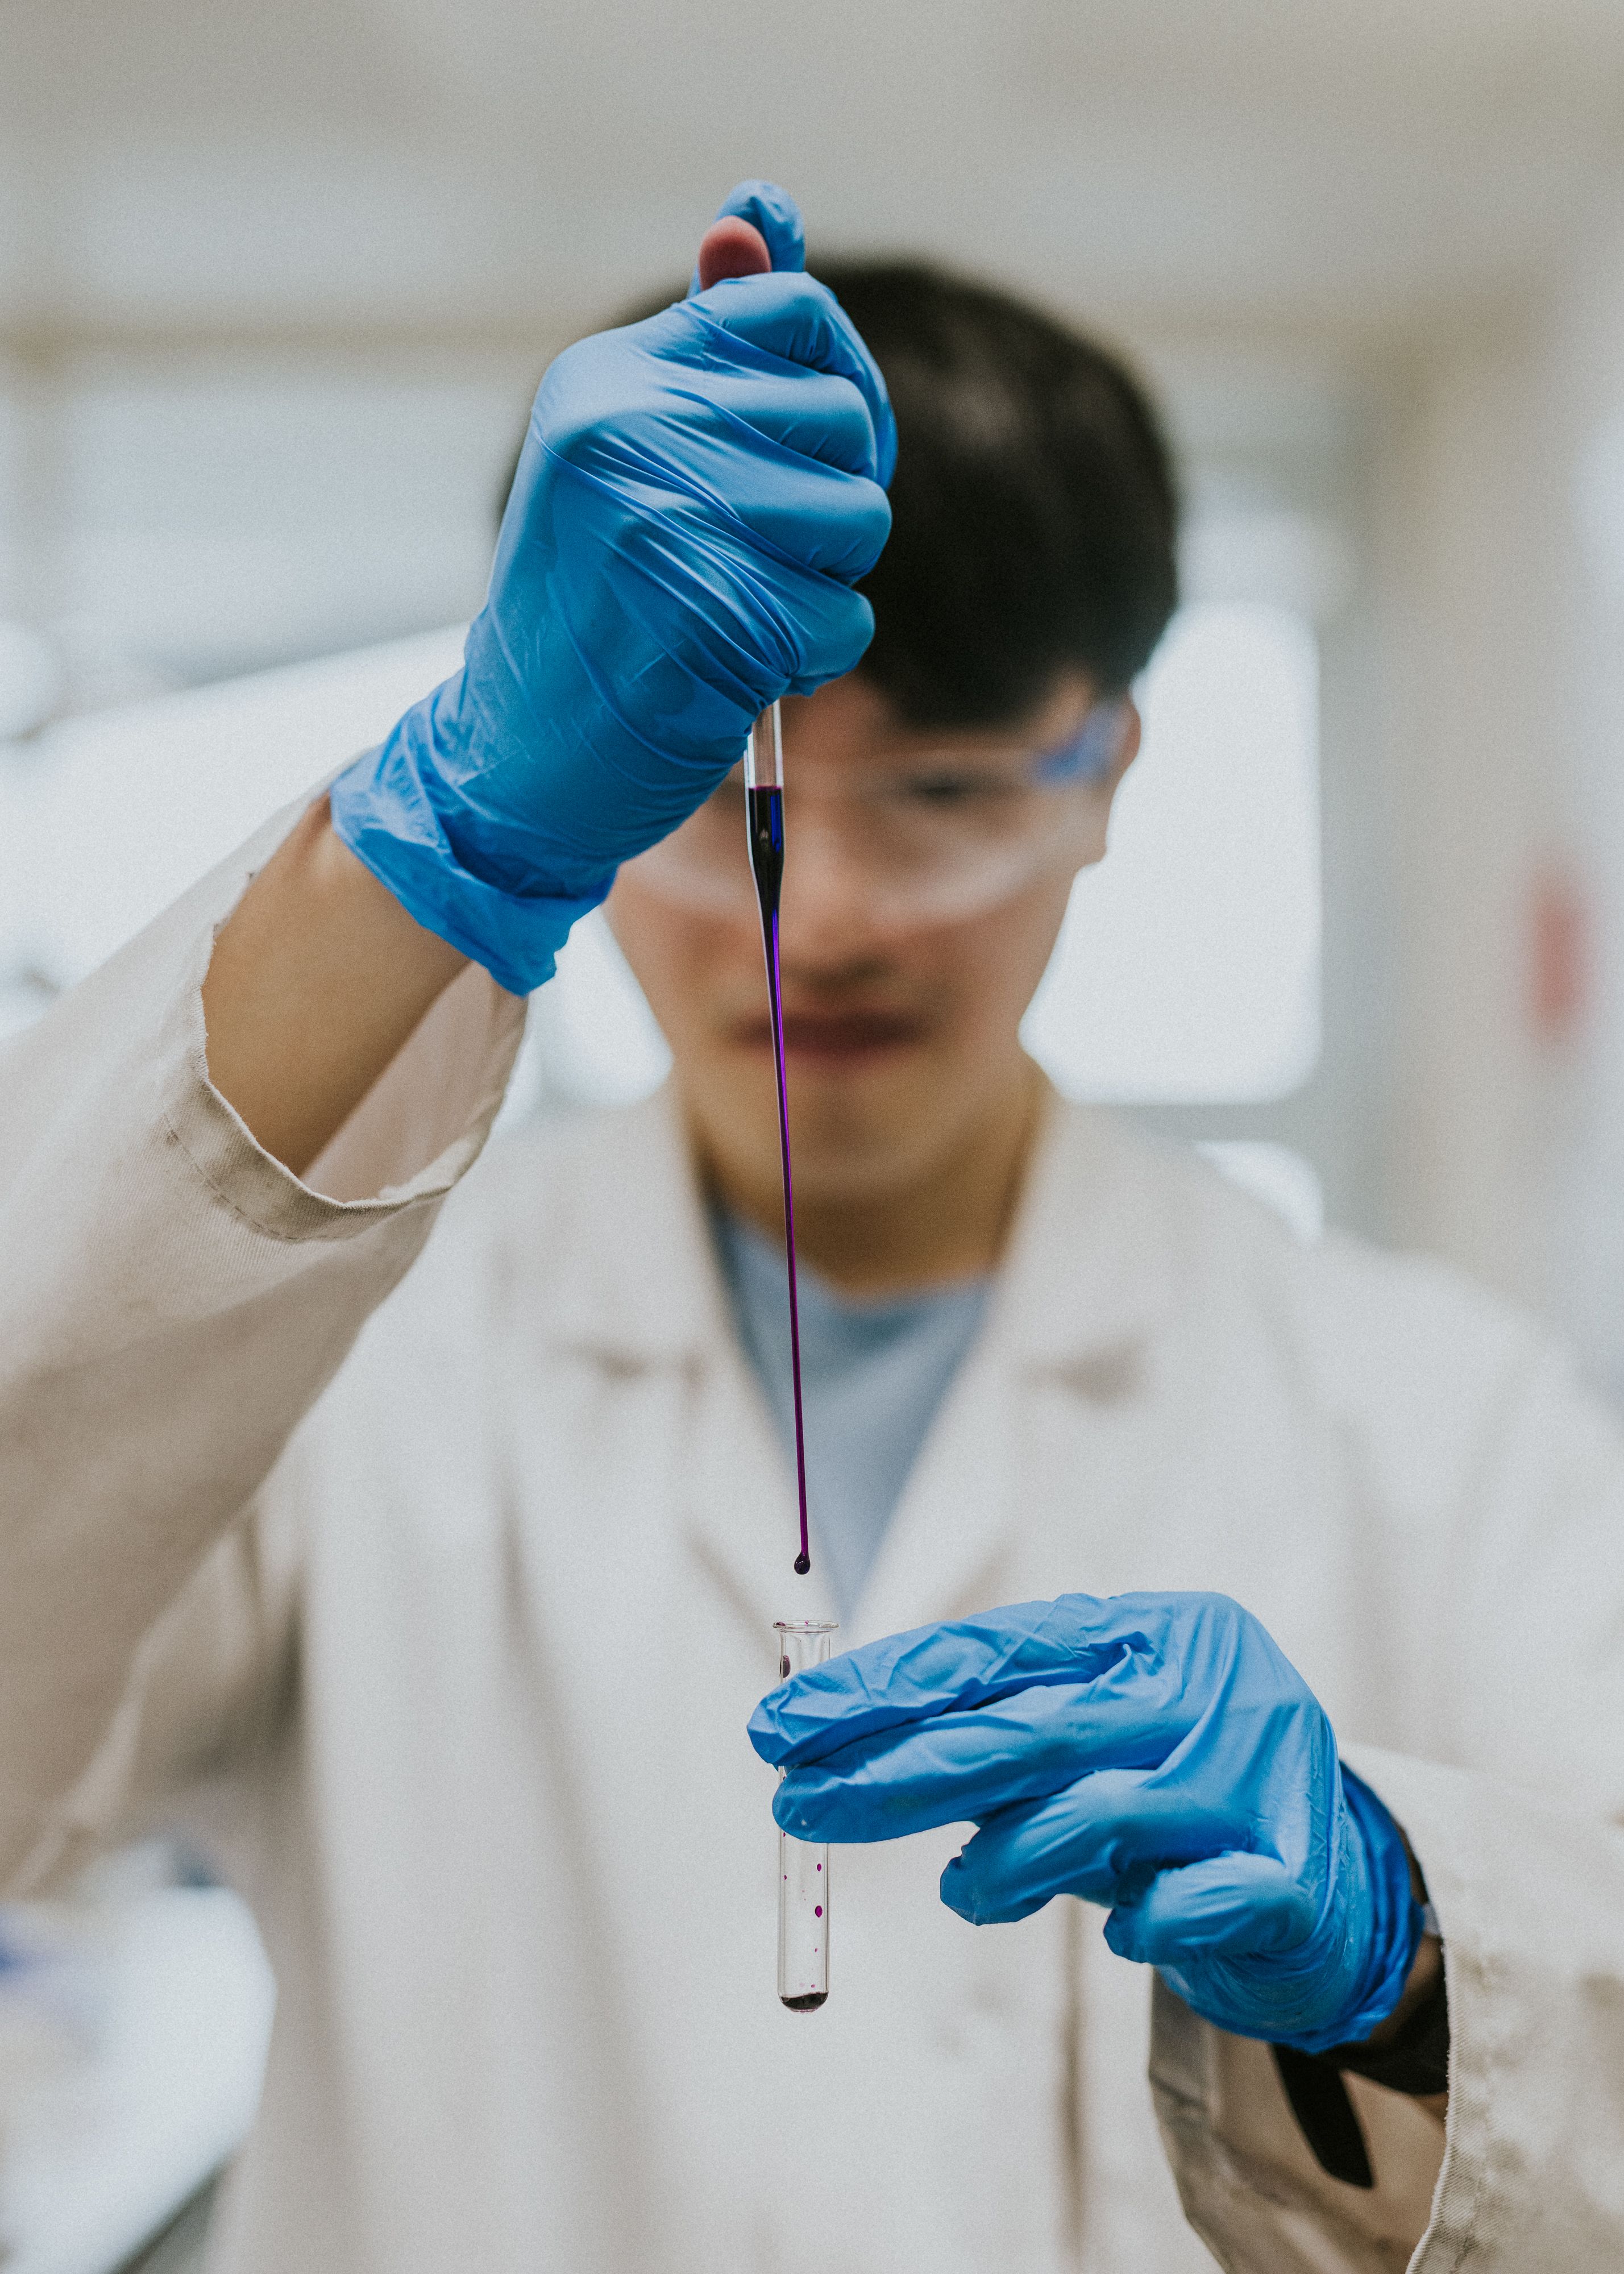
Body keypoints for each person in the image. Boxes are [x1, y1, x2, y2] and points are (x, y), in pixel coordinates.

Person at [1, 179, 1621, 2274]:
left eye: (943, 794)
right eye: (715, 800)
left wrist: (1411, 1958)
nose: (828, 923)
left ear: (1103, 768)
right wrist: (416, 856)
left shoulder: (1437, 1418)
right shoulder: (342, 1365)